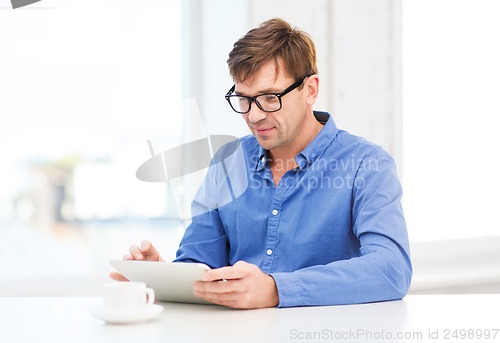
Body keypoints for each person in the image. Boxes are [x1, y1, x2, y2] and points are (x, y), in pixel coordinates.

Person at [111, 18, 412, 309]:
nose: (254, 116)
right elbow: (200, 263)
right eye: (244, 99)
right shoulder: (228, 163)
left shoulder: (367, 165)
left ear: (310, 89)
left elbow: (391, 269)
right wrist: (164, 278)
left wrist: (275, 290)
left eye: (269, 97)